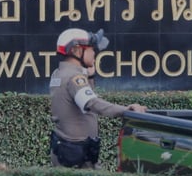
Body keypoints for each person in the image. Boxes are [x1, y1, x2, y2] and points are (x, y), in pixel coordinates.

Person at [49, 27, 147, 168]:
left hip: (67, 150)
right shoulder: (74, 77)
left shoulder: (59, 73)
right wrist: (126, 109)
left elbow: (83, 101)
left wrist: (90, 77)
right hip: (77, 155)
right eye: (91, 49)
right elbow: (92, 103)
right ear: (76, 50)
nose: (94, 53)